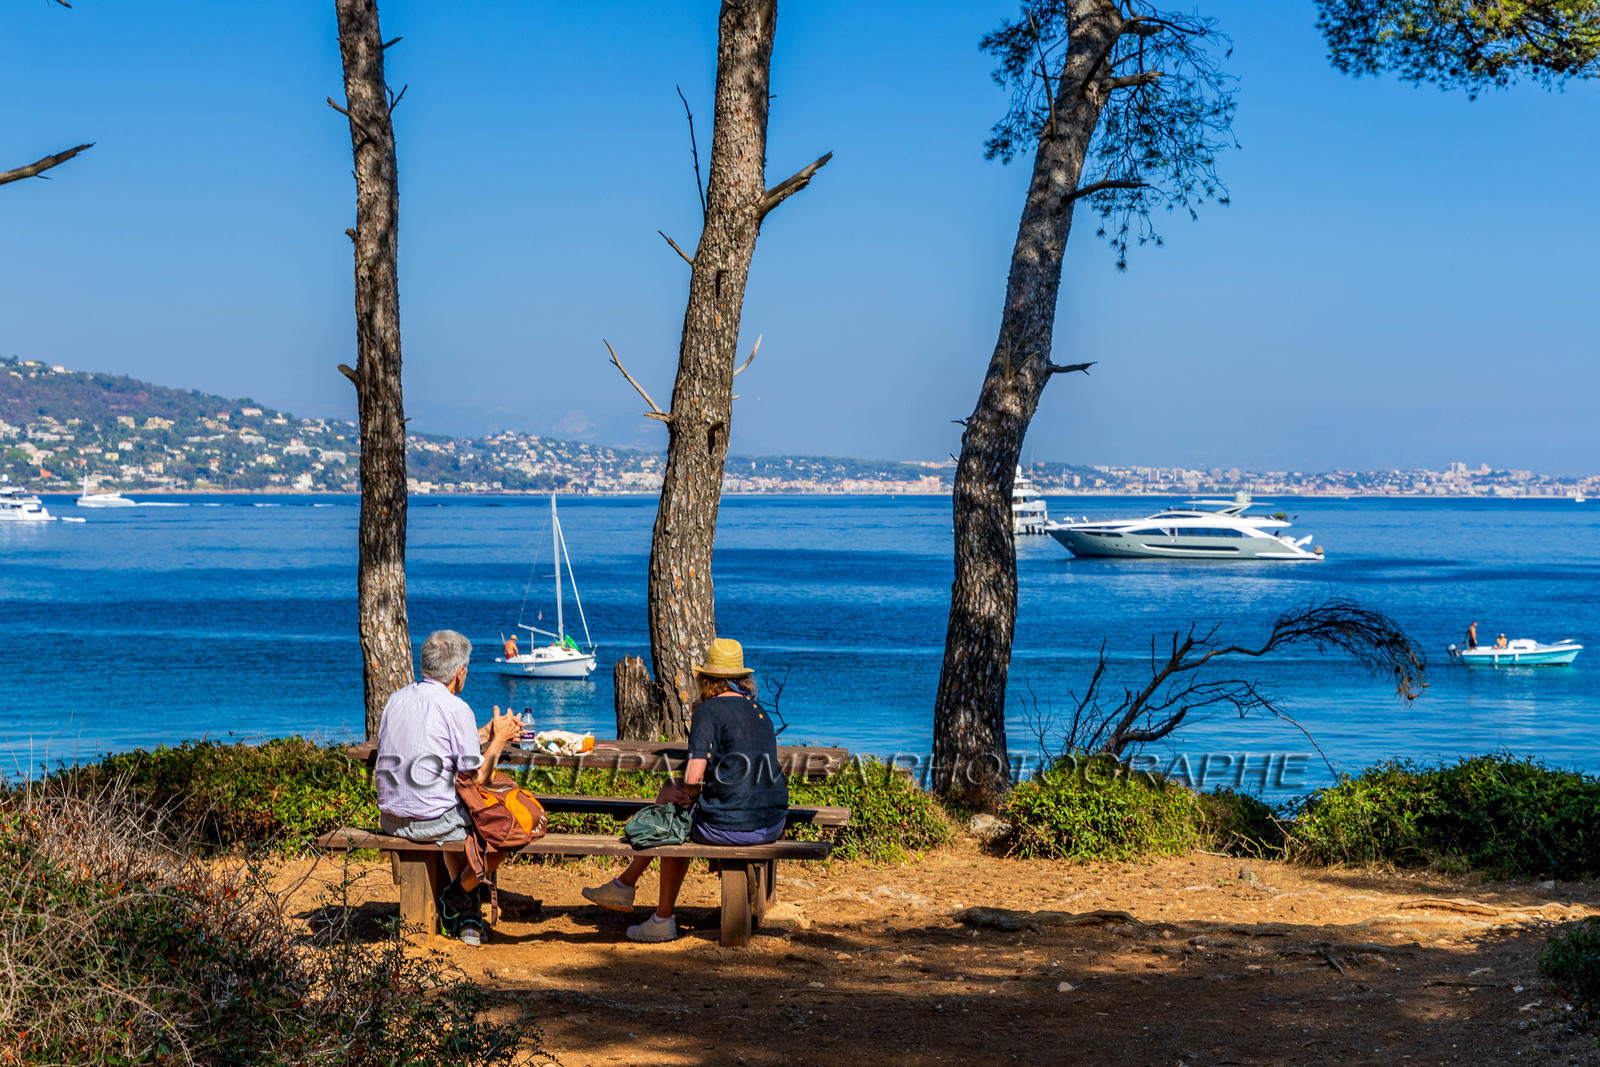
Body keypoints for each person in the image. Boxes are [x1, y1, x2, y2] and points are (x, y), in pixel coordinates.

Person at [581, 637, 788, 942]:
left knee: (672, 812)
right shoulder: (759, 712)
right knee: (674, 800)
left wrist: (687, 792)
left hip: (736, 827)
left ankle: (656, 914)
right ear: (743, 679)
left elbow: (692, 777)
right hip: (771, 824)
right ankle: (625, 886)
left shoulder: (709, 711)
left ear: (706, 679)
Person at [374, 629, 522, 946]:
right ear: (460, 673)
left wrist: (484, 732)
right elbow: (477, 777)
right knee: (511, 830)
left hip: (390, 820)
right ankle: (456, 898)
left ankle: (464, 912)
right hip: (431, 823)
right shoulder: (456, 708)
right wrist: (500, 739)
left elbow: (434, 741)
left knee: (461, 811)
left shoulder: (396, 700)